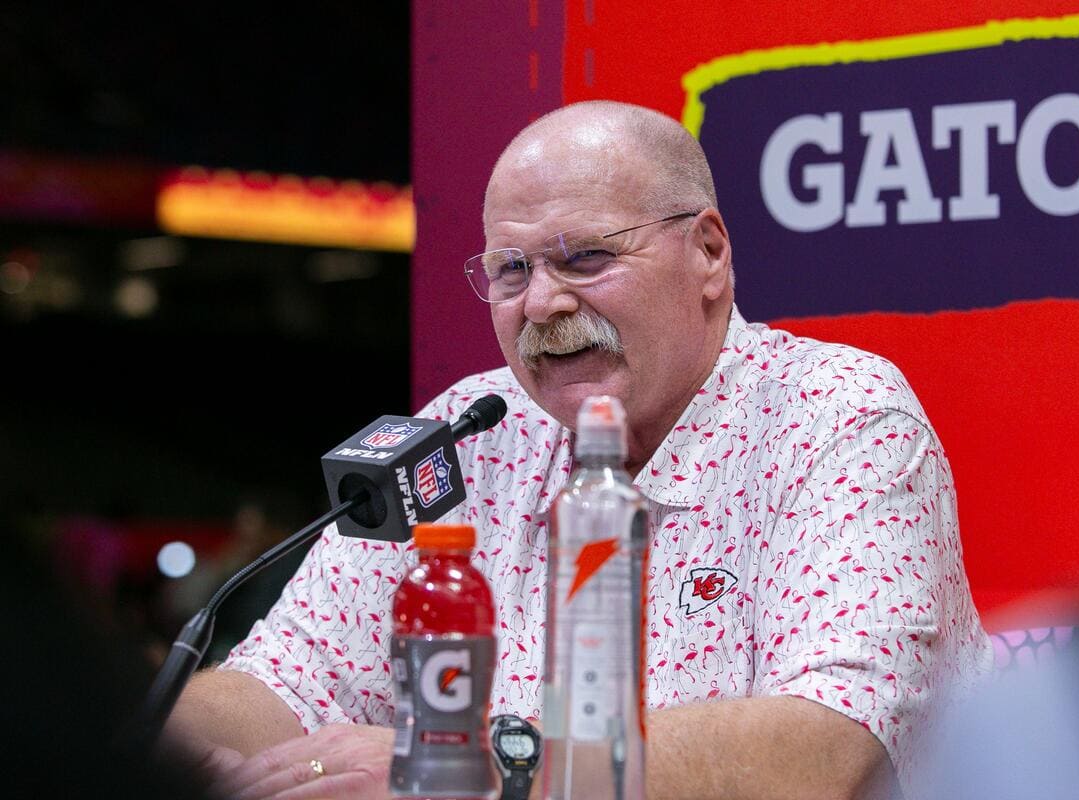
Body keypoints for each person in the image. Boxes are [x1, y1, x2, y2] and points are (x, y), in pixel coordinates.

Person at [164, 101, 992, 799]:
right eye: (511, 269)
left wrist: (487, 768)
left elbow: (830, 750)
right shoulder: (468, 431)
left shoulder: (836, 414)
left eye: (587, 257)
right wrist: (142, 746)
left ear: (708, 252)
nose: (544, 303)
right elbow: (286, 682)